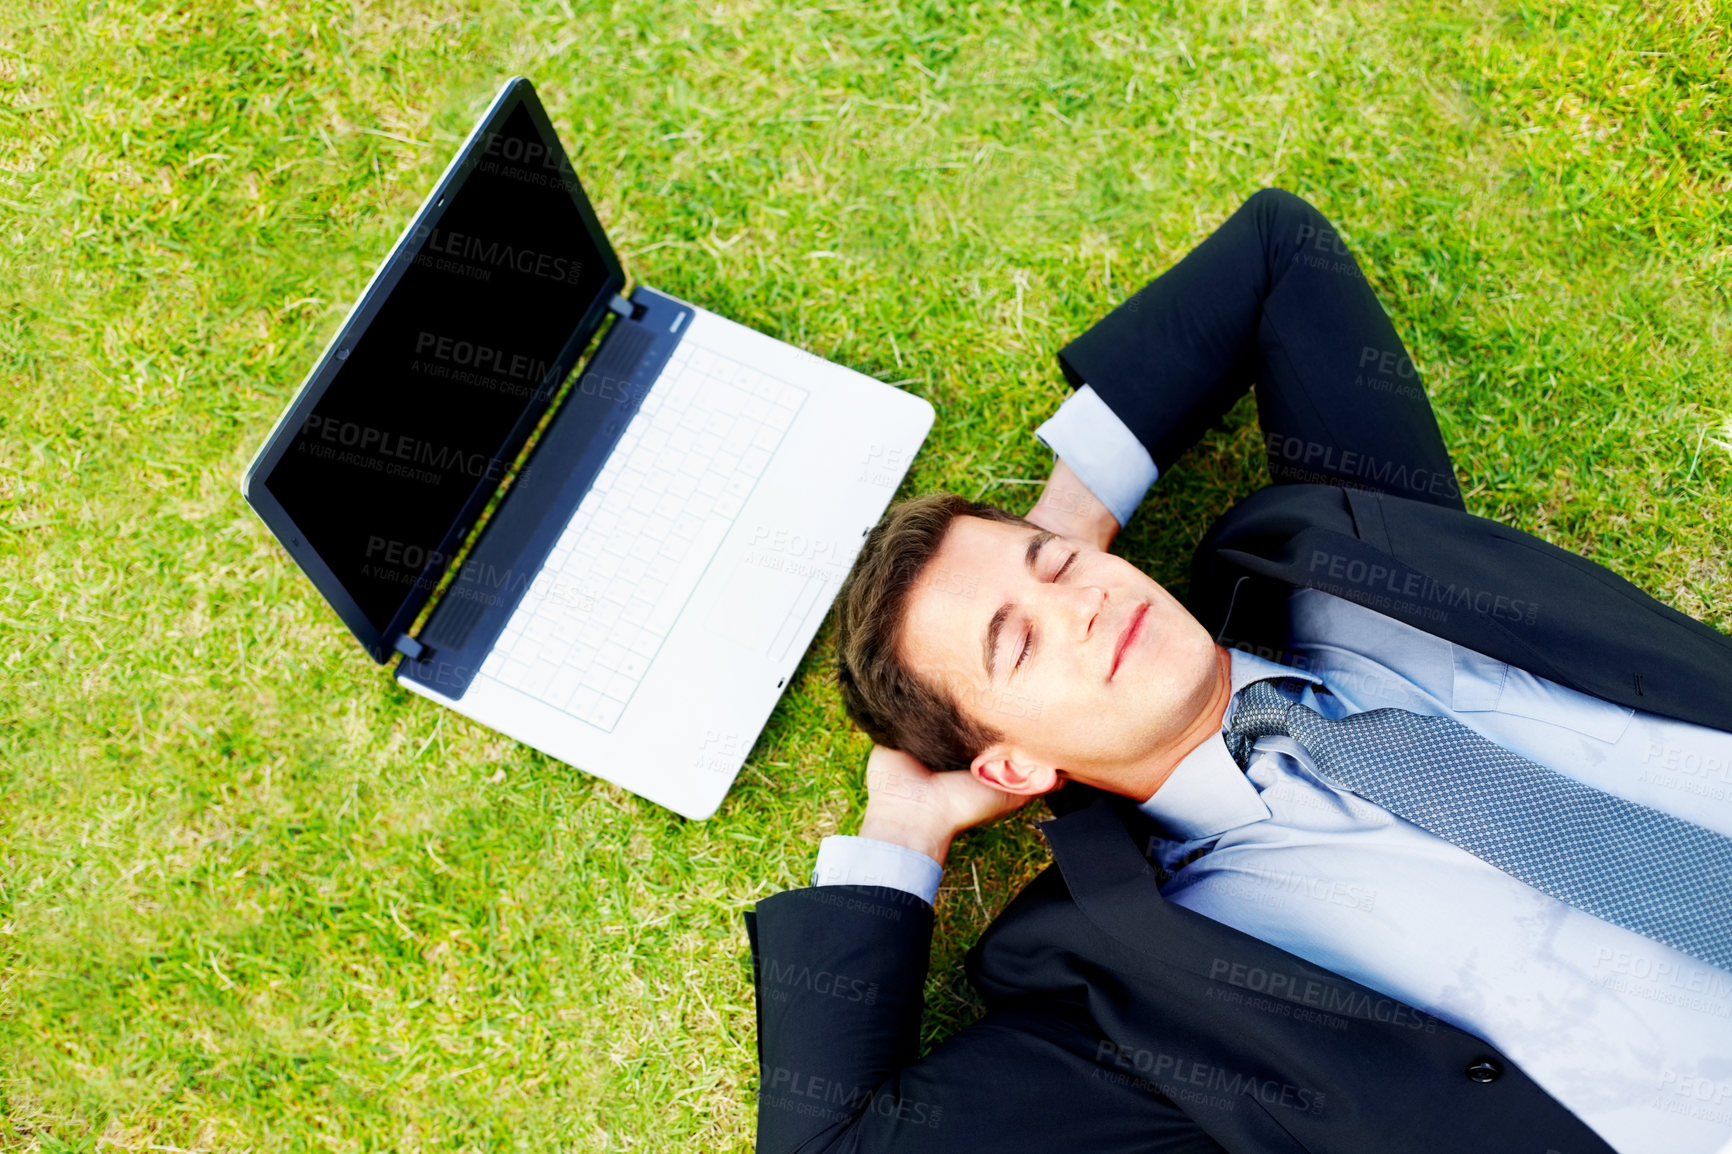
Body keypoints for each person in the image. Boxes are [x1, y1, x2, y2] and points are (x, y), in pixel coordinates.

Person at [744, 188, 1732, 1154]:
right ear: (1007, 765)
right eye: (1019, 642)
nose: (1079, 603)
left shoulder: (1336, 557)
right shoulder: (1139, 991)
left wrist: (1067, 520)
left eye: (1055, 568)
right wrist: (900, 834)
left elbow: (1277, 251)